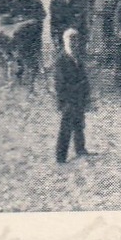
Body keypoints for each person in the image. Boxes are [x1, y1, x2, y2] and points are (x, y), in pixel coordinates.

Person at [53, 28, 92, 163]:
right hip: (68, 100)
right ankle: (61, 157)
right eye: (71, 40)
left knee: (79, 125)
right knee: (65, 129)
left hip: (79, 99)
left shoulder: (78, 58)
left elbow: (85, 78)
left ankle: (80, 149)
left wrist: (86, 96)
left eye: (76, 40)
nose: (74, 43)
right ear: (65, 41)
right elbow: (60, 85)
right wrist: (66, 100)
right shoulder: (61, 60)